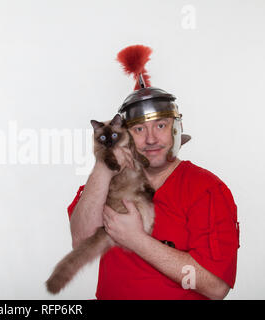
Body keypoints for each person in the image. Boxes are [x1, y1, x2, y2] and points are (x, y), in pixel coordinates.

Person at [67, 45, 240, 300]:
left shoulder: (208, 190)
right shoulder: (105, 183)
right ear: (125, 135)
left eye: (160, 125)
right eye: (139, 129)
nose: (150, 139)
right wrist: (104, 168)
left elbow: (215, 287)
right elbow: (81, 243)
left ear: (175, 129)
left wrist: (137, 240)